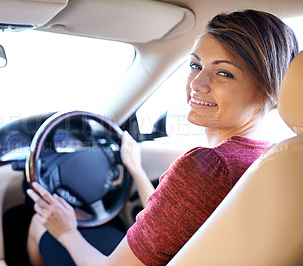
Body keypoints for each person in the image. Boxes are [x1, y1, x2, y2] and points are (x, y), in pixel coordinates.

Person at [26, 9, 299, 266]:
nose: (196, 83)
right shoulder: (271, 159)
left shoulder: (209, 167)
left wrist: (66, 232)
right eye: (195, 65)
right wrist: (134, 168)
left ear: (270, 89)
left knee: (40, 227)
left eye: (224, 72)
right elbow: (178, 216)